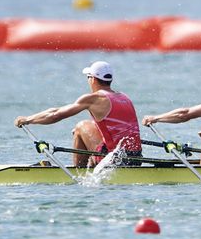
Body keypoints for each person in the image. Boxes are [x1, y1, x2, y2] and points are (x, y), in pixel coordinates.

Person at [14, 60, 142, 167]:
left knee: (81, 127)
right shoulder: (124, 97)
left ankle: (79, 172)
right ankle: (92, 163)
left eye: (88, 77)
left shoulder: (94, 99)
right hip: (136, 158)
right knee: (91, 125)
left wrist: (28, 119)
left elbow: (56, 115)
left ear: (93, 79)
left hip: (116, 160)